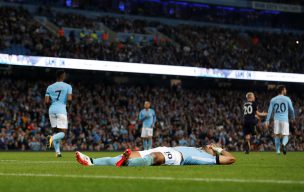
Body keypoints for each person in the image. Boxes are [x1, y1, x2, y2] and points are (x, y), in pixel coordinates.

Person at [75, 144, 236, 167]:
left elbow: (231, 159)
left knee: (156, 157)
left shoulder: (206, 157)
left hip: (176, 156)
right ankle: (92, 161)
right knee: (129, 154)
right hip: (166, 147)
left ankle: (127, 163)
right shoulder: (196, 147)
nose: (209, 145)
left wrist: (218, 149)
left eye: (211, 146)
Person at [45, 70, 72, 157]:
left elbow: (46, 101)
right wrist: (68, 106)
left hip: (51, 110)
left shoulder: (49, 87)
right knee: (63, 133)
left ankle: (58, 152)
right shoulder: (68, 86)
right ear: (62, 76)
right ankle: (51, 138)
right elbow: (69, 99)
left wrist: (50, 107)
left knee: (56, 132)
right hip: (61, 110)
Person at [265, 85, 295, 155]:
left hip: (276, 120)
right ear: (282, 90)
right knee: (286, 135)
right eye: (285, 89)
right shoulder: (287, 99)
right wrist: (293, 117)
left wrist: (267, 120)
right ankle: (284, 144)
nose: (286, 91)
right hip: (284, 120)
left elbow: (270, 111)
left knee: (277, 135)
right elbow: (291, 109)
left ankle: (278, 151)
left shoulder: (273, 99)